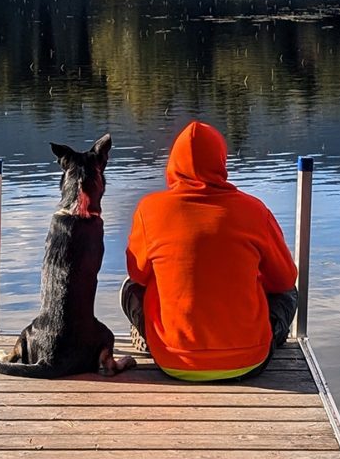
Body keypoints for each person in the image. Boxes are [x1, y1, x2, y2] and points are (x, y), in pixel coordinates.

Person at [121, 120, 298, 381]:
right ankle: (264, 336)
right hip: (250, 361)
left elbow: (137, 275)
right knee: (288, 294)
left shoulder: (149, 209)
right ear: (221, 162)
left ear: (173, 164)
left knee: (129, 289)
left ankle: (152, 336)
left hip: (172, 361)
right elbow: (284, 279)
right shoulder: (254, 211)